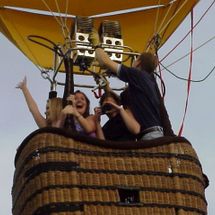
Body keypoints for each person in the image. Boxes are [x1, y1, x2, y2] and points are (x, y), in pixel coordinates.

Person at [89, 30, 174, 140]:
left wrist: (96, 44)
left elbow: (104, 61)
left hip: (149, 136)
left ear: (138, 62)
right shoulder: (149, 83)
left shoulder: (138, 75)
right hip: (156, 134)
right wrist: (107, 87)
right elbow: (124, 102)